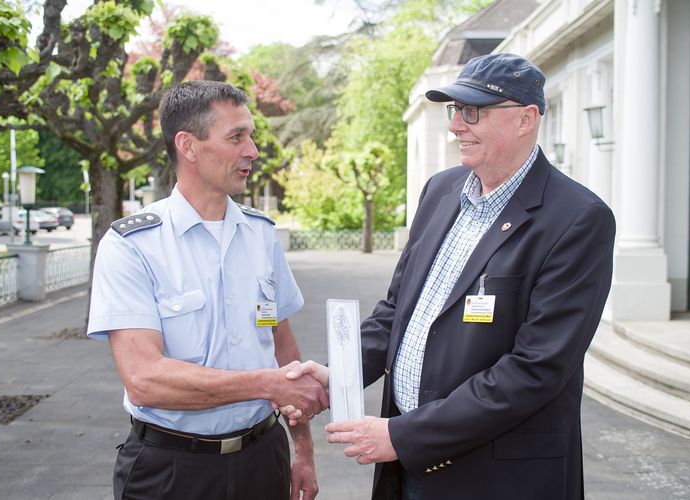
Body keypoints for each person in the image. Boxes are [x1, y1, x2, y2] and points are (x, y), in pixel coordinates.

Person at [289, 53, 615, 499]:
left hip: (496, 476)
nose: (456, 125)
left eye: (473, 112)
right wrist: (340, 374)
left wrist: (403, 436)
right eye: (455, 110)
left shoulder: (578, 219)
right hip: (407, 462)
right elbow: (396, 311)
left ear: (526, 119)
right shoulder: (441, 190)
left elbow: (535, 369)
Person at [87, 80, 328, 500]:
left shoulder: (261, 236)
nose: (252, 150)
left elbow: (281, 345)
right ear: (189, 145)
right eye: (236, 137)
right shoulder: (132, 245)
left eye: (251, 135)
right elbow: (145, 379)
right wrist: (268, 385)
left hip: (263, 458)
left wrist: (303, 450)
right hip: (172, 470)